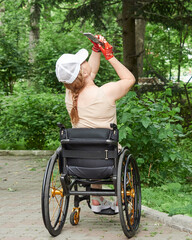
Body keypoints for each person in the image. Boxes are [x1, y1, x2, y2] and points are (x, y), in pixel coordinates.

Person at [55, 35, 135, 213]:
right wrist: (110, 56)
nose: (84, 62)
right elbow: (129, 80)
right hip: (108, 159)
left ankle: (96, 200)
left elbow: (88, 76)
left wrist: (96, 50)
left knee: (93, 147)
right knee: (105, 149)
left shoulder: (70, 96)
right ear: (82, 72)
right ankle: (115, 197)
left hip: (78, 160)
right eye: (82, 62)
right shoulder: (105, 93)